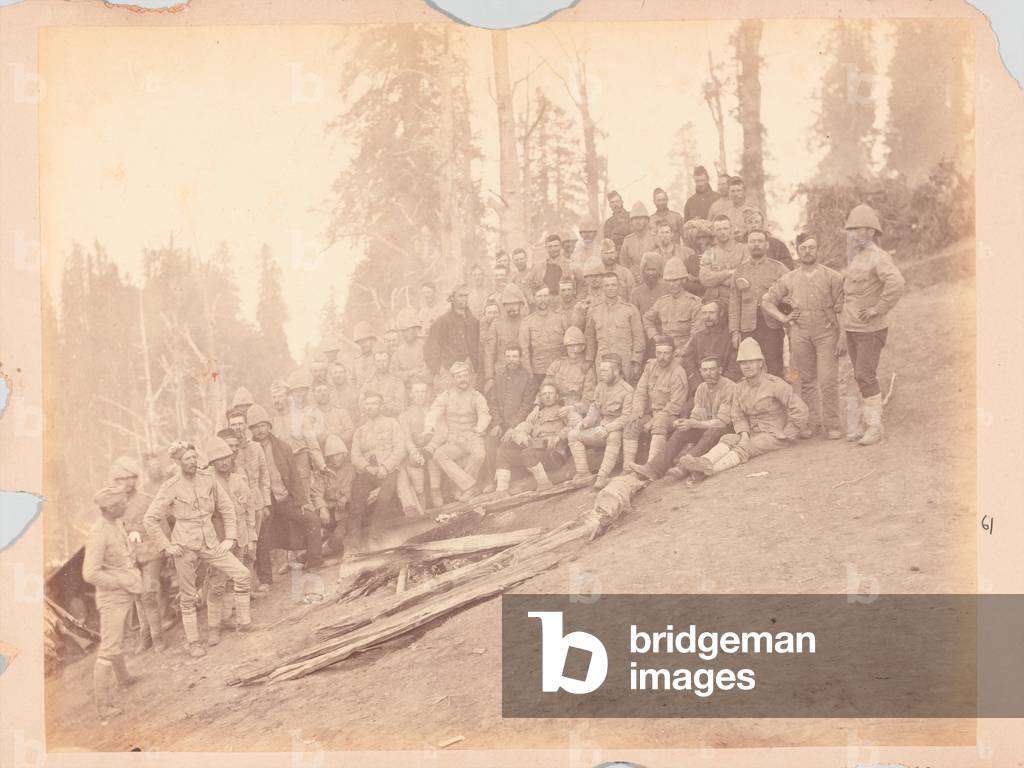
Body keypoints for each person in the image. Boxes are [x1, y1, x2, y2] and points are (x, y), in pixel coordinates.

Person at [144, 442, 252, 658]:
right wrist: (167, 546)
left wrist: (230, 537)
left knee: (242, 574)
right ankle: (193, 642)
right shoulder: (171, 486)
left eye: (194, 458)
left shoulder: (208, 478)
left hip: (211, 542)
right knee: (187, 596)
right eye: (187, 459)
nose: (192, 462)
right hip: (184, 546)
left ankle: (241, 622)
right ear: (178, 462)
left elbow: (227, 507)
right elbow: (150, 519)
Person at [678, 338, 808, 477]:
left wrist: (788, 433)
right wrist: (744, 435)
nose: (747, 366)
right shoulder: (739, 387)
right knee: (729, 438)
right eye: (743, 363)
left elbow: (801, 409)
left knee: (745, 447)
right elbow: (737, 415)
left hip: (774, 435)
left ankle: (711, 470)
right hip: (752, 433)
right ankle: (705, 462)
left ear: (760, 363)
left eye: (751, 362)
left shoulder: (775, 384)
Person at [762, 232, 846, 439]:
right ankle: (812, 422)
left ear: (817, 250)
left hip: (826, 331)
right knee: (805, 380)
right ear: (797, 252)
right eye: (803, 248)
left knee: (827, 379)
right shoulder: (789, 278)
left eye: (811, 247)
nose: (807, 251)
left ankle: (833, 424)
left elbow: (842, 309)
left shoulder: (832, 277)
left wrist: (842, 336)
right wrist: (784, 318)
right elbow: (766, 301)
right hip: (799, 332)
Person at [841, 203, 905, 445]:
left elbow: (896, 283)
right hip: (853, 327)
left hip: (871, 329)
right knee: (859, 375)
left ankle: (875, 427)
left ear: (870, 231)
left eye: (856, 230)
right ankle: (865, 421)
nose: (852, 235)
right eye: (851, 230)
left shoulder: (878, 257)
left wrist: (878, 308)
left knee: (865, 374)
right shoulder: (857, 256)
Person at [247, 405, 323, 594]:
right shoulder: (249, 450)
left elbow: (294, 476)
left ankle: (314, 563)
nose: (260, 430)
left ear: (269, 426)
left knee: (312, 519)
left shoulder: (282, 447)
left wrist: (302, 501)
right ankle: (265, 579)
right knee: (260, 536)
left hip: (284, 496)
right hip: (264, 501)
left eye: (263, 425)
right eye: (255, 427)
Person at [83, 485, 143, 721]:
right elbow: (90, 573)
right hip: (112, 597)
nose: (126, 505)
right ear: (109, 507)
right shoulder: (98, 533)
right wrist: (118, 582)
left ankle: (124, 678)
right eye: (121, 504)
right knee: (109, 648)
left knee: (119, 638)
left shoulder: (115, 523)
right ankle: (104, 706)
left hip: (124, 591)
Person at [628, 355, 736, 481]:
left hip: (728, 430)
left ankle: (683, 467)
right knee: (683, 430)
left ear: (720, 370)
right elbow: (697, 415)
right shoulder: (702, 388)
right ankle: (654, 469)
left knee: (713, 431)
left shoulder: (729, 387)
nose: (709, 373)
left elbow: (722, 422)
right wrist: (686, 422)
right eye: (705, 370)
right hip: (707, 426)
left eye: (712, 369)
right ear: (700, 372)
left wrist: (695, 424)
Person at [111, 456, 167, 654]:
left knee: (149, 594)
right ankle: (145, 636)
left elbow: (161, 526)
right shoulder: (113, 506)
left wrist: (165, 548)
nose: (125, 483)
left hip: (151, 554)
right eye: (119, 479)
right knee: (137, 596)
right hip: (129, 559)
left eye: (129, 478)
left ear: (135, 478)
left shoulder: (145, 500)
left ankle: (157, 637)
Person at [204, 435, 256, 647]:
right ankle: (214, 626)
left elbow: (250, 507)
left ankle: (242, 620)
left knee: (240, 578)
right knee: (217, 582)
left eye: (227, 457)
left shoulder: (238, 479)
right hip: (219, 538)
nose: (224, 462)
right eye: (219, 459)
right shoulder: (207, 481)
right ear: (212, 462)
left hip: (241, 535)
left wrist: (251, 536)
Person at [422, 361, 491, 502]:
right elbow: (434, 412)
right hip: (454, 439)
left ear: (469, 377)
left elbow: (485, 414)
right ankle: (470, 486)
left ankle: (461, 488)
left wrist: (480, 427)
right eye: (459, 377)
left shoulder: (476, 396)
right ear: (453, 379)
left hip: (472, 437)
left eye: (465, 376)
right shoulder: (445, 396)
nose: (463, 379)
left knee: (479, 454)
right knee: (439, 455)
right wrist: (429, 426)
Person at [348, 391, 407, 551]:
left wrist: (386, 467)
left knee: (384, 497)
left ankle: (375, 535)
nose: (370, 407)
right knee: (357, 499)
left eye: (374, 404)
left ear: (381, 406)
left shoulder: (392, 423)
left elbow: (400, 449)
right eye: (367, 404)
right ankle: (353, 542)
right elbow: (355, 455)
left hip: (387, 470)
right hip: (367, 472)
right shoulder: (361, 429)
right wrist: (367, 467)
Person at [566, 353, 634, 488]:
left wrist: (607, 429)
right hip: (599, 429)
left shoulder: (627, 391)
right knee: (573, 434)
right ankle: (583, 473)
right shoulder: (600, 387)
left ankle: (602, 476)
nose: (601, 373)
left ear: (616, 371)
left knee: (614, 436)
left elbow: (626, 418)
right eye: (600, 370)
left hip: (617, 430)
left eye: (605, 370)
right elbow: (594, 410)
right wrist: (585, 423)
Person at [729, 228, 790, 377]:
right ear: (747, 245)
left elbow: (791, 295)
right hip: (747, 326)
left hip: (772, 324)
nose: (756, 244)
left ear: (767, 245)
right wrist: (735, 331)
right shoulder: (740, 271)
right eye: (752, 241)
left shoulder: (779, 268)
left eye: (760, 241)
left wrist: (787, 320)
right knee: (750, 364)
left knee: (774, 366)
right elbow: (735, 302)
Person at [493, 382, 571, 494]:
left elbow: (574, 425)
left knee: (528, 452)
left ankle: (545, 485)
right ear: (540, 397)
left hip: (554, 454)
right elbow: (525, 425)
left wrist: (559, 436)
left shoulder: (563, 411)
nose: (547, 396)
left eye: (550, 393)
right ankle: (501, 490)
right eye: (544, 394)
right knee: (503, 451)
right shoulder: (536, 414)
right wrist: (519, 434)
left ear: (557, 396)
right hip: (534, 452)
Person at [622, 336, 688, 468]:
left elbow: (675, 405)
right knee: (631, 423)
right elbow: (640, 391)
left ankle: (651, 466)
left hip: (670, 416)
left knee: (658, 423)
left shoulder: (678, 372)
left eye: (666, 353)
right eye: (659, 353)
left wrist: (652, 421)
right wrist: (637, 411)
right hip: (652, 413)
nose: (662, 357)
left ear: (673, 354)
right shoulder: (650, 367)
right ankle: (627, 468)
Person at [482, 344, 537, 492]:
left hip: (518, 424)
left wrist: (511, 426)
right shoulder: (498, 377)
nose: (511, 360)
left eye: (514, 356)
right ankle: (491, 479)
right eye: (508, 356)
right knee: (490, 440)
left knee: (507, 445)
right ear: (504, 358)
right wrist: (499, 424)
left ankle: (513, 478)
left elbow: (526, 407)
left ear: (520, 358)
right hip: (501, 423)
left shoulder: (528, 378)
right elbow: (492, 403)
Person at [585, 272, 645, 385]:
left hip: (624, 361)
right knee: (604, 394)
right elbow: (590, 339)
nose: (610, 288)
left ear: (619, 287)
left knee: (626, 393)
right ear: (602, 288)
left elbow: (639, 339)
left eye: (613, 285)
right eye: (607, 285)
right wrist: (589, 360)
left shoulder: (630, 310)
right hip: (603, 361)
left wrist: (636, 361)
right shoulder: (594, 311)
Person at [643, 257, 704, 361]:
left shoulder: (695, 303)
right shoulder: (661, 302)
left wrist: (683, 351)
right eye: (668, 281)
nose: (671, 284)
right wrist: (656, 336)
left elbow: (697, 334)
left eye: (675, 280)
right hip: (665, 351)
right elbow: (647, 318)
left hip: (687, 353)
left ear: (684, 280)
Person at [679, 300, 740, 398]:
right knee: (686, 412)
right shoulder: (697, 337)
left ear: (721, 313)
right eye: (704, 313)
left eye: (711, 313)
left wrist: (719, 387)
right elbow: (689, 363)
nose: (707, 316)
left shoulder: (731, 338)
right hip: (699, 389)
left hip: (725, 390)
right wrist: (698, 385)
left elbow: (735, 368)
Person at [424, 284, 480, 389]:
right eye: (460, 296)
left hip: (469, 371)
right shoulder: (442, 322)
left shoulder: (474, 322)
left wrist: (474, 363)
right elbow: (429, 348)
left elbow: (479, 346)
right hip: (448, 372)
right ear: (452, 298)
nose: (464, 299)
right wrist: (438, 369)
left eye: (466, 296)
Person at [399, 379, 443, 510]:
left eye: (423, 392)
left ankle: (435, 490)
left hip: (433, 446)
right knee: (413, 461)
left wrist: (433, 445)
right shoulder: (405, 414)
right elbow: (406, 438)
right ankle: (420, 494)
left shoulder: (435, 410)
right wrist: (413, 451)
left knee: (434, 456)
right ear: (411, 394)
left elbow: (442, 431)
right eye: (417, 392)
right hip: (416, 448)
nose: (420, 395)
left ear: (428, 393)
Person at [309, 434, 353, 556]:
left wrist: (346, 496)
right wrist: (322, 508)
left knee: (338, 535)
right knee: (313, 530)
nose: (335, 459)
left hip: (345, 512)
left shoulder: (352, 469)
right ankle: (306, 555)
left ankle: (324, 549)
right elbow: (316, 492)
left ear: (344, 454)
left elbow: (356, 487)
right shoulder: (323, 473)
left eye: (338, 455)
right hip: (328, 512)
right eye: (331, 457)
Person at [518, 284, 568, 384]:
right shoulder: (527, 322)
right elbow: (524, 351)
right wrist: (529, 374)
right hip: (539, 372)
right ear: (534, 298)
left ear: (549, 297)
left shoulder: (561, 318)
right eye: (539, 296)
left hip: (560, 370)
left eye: (545, 296)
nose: (543, 299)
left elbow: (568, 344)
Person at [699, 214, 750, 305]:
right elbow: (704, 279)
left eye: (725, 228)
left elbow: (745, 277)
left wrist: (716, 278)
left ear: (731, 229)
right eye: (719, 229)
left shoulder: (744, 249)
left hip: (737, 299)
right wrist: (729, 273)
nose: (722, 232)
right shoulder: (709, 253)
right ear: (714, 231)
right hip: (713, 299)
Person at [484, 285, 527, 392]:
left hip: (522, 373)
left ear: (520, 304)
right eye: (508, 304)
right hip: (501, 373)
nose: (511, 308)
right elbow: (489, 352)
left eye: (514, 304)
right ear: (503, 306)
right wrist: (489, 377)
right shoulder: (496, 324)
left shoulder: (527, 322)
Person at [543, 326, 596, 410]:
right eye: (569, 346)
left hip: (573, 410)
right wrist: (537, 406)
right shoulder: (557, 364)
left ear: (583, 347)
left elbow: (587, 401)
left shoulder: (587, 370)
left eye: (575, 345)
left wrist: (572, 408)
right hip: (553, 407)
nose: (572, 349)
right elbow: (544, 387)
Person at [305, 379, 356, 449]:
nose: (323, 394)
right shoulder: (310, 414)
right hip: (322, 452)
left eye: (325, 390)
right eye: (319, 391)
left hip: (342, 449)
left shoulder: (341, 411)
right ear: (314, 394)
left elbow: (350, 431)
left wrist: (335, 440)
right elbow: (316, 437)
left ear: (329, 392)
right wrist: (338, 430)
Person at [359, 350, 407, 418]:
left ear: (389, 363)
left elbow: (400, 406)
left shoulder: (397, 382)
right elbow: (361, 405)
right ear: (374, 363)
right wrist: (387, 400)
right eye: (378, 361)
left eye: (384, 361)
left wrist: (376, 405)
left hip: (390, 419)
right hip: (371, 419)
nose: (381, 364)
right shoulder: (368, 382)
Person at [390, 307, 429, 386]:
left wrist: (407, 374)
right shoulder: (399, 351)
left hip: (425, 389)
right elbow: (392, 372)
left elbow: (427, 371)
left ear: (415, 329)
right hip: (406, 389)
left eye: (407, 330)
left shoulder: (426, 347)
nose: (404, 334)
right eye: (402, 331)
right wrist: (410, 373)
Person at [618, 202, 656, 279]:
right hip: (633, 280)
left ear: (647, 220)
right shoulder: (627, 241)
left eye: (640, 218)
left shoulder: (655, 239)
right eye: (634, 219)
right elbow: (623, 264)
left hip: (652, 278)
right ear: (631, 222)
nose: (637, 221)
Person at [531, 234, 571, 299]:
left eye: (556, 246)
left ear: (561, 247)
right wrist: (532, 300)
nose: (553, 249)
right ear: (546, 248)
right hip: (544, 303)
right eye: (550, 246)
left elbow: (582, 285)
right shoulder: (538, 267)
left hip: (564, 302)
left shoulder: (570, 264)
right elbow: (526, 285)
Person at [630, 251, 667, 319]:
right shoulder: (636, 293)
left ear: (659, 271)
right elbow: (634, 318)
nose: (650, 273)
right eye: (648, 269)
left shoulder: (667, 290)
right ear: (643, 271)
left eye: (653, 270)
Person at [351, 322, 379, 387]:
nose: (363, 344)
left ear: (372, 341)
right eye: (360, 342)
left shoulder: (379, 358)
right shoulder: (356, 360)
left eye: (365, 341)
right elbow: (353, 380)